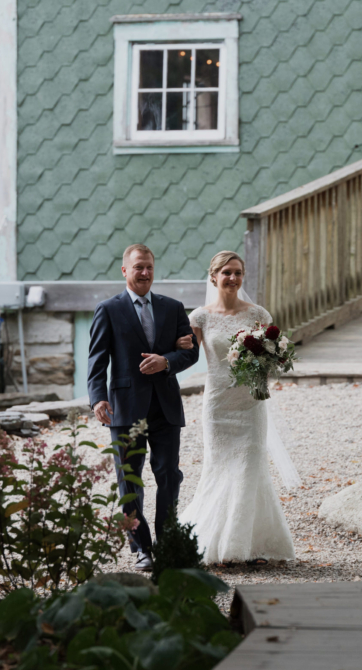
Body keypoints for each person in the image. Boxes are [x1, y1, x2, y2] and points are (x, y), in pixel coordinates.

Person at [177, 251, 296, 565]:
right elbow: (188, 355)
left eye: (238, 273)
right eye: (226, 273)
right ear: (213, 277)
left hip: (251, 401)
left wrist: (272, 360)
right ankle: (209, 541)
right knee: (218, 469)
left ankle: (240, 548)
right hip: (217, 405)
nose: (232, 278)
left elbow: (269, 355)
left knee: (249, 469)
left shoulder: (258, 314)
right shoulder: (199, 317)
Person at [87, 244, 200, 572]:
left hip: (165, 407)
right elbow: (97, 359)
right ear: (125, 270)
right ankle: (141, 548)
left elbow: (190, 353)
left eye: (149, 267)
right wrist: (97, 398)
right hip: (124, 408)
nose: (145, 273)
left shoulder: (173, 308)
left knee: (169, 476)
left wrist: (166, 360)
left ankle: (167, 543)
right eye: (138, 267)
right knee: (129, 481)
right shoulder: (108, 309)